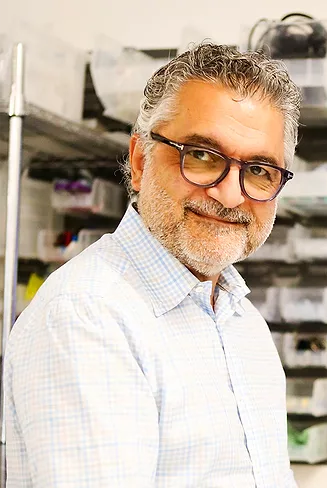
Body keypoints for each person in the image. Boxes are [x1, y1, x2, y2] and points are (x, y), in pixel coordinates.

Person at [3, 42, 302, 487]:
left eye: (260, 170)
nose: (230, 195)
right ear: (141, 160)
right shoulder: (88, 315)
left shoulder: (243, 320)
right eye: (201, 156)